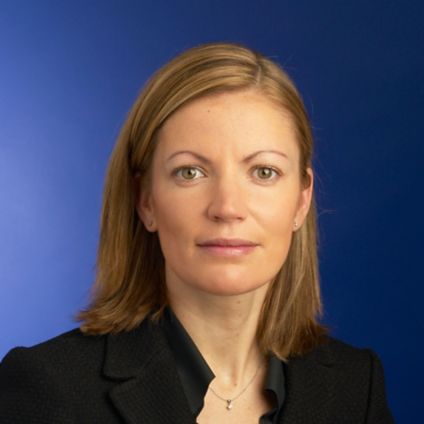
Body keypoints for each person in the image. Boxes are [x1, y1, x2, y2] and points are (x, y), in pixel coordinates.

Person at [0, 42, 394, 423]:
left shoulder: (356, 386)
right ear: (145, 200)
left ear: (301, 200)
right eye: (190, 172)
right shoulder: (50, 388)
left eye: (264, 172)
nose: (227, 207)